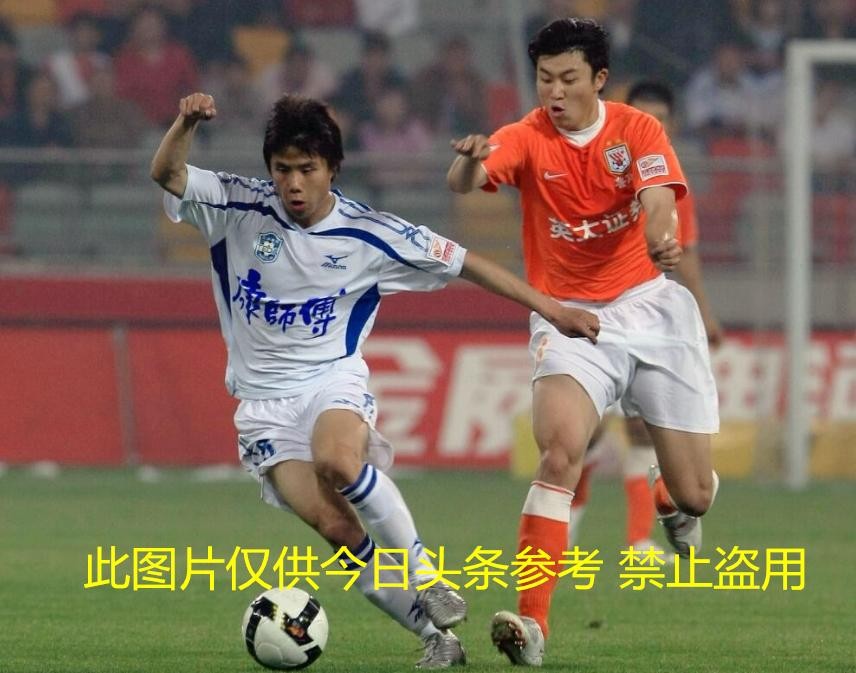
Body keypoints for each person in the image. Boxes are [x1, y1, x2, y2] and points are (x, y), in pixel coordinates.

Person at [150, 91, 600, 669]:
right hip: (262, 406)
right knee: (340, 531)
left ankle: (427, 576)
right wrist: (185, 121)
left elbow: (467, 263)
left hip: (330, 380)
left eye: (307, 169)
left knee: (338, 461)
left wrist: (554, 310)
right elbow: (167, 173)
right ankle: (437, 637)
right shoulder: (237, 206)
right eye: (282, 169)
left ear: (333, 169)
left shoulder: (370, 232)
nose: (293, 184)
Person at [446, 18, 720, 666]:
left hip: (648, 307)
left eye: (568, 78)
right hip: (570, 318)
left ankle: (668, 497)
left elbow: (659, 199)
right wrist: (468, 160)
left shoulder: (637, 129)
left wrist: (658, 237)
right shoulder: (526, 136)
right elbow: (464, 183)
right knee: (559, 451)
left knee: (696, 494)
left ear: (599, 78)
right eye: (545, 78)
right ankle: (533, 624)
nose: (554, 91)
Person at [570, 79, 723, 556]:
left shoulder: (672, 184)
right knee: (579, 431)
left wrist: (703, 316)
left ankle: (640, 536)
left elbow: (684, 254)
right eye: (642, 117)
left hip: (648, 319)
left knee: (643, 435)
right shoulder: (592, 166)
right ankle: (564, 529)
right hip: (590, 314)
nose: (650, 126)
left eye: (660, 119)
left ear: (671, 125)